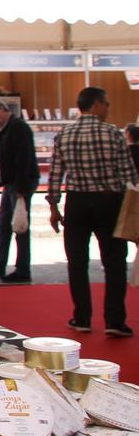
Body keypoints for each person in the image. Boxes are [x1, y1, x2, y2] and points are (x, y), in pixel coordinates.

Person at [47, 87, 137, 337]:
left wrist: (54, 207)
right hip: (109, 202)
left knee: (77, 262)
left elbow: (56, 176)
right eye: (106, 103)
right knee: (115, 262)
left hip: (76, 202)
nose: (108, 108)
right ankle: (115, 321)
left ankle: (82, 317)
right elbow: (129, 176)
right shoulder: (114, 134)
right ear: (96, 104)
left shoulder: (64, 134)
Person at [0, 99, 39, 283]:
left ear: (1, 110)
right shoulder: (5, 129)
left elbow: (24, 158)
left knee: (19, 225)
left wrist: (22, 188)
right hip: (11, 182)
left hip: (20, 183)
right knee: (3, 223)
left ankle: (22, 268)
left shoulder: (18, 127)